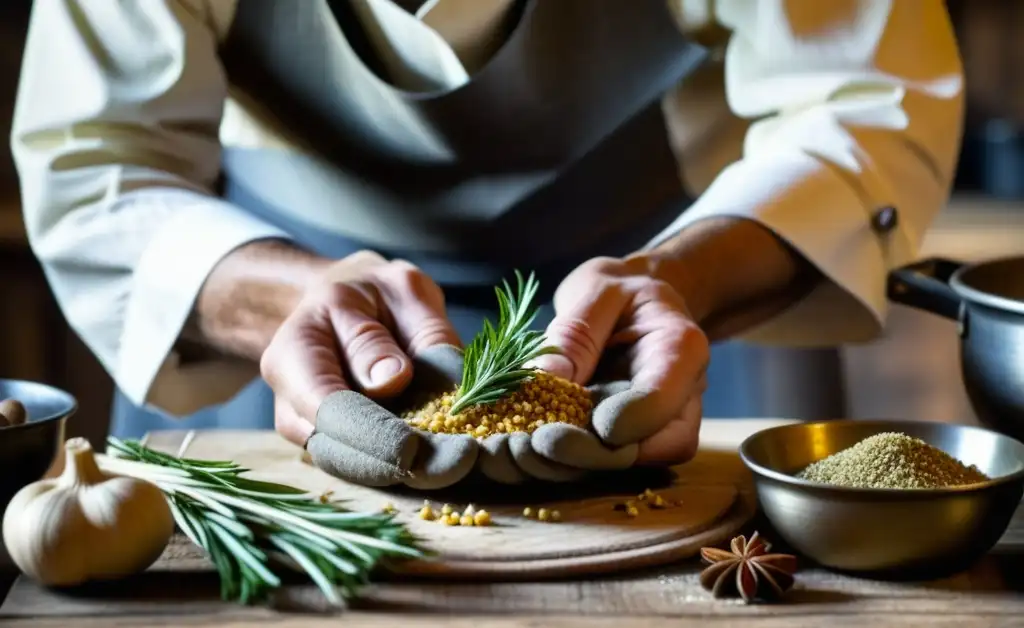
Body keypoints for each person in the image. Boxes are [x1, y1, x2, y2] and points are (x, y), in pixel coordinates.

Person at [11, 0, 963, 464]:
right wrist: (291, 300)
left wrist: (679, 281)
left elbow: (867, 102)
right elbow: (97, 157)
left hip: (672, 335)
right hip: (278, 349)